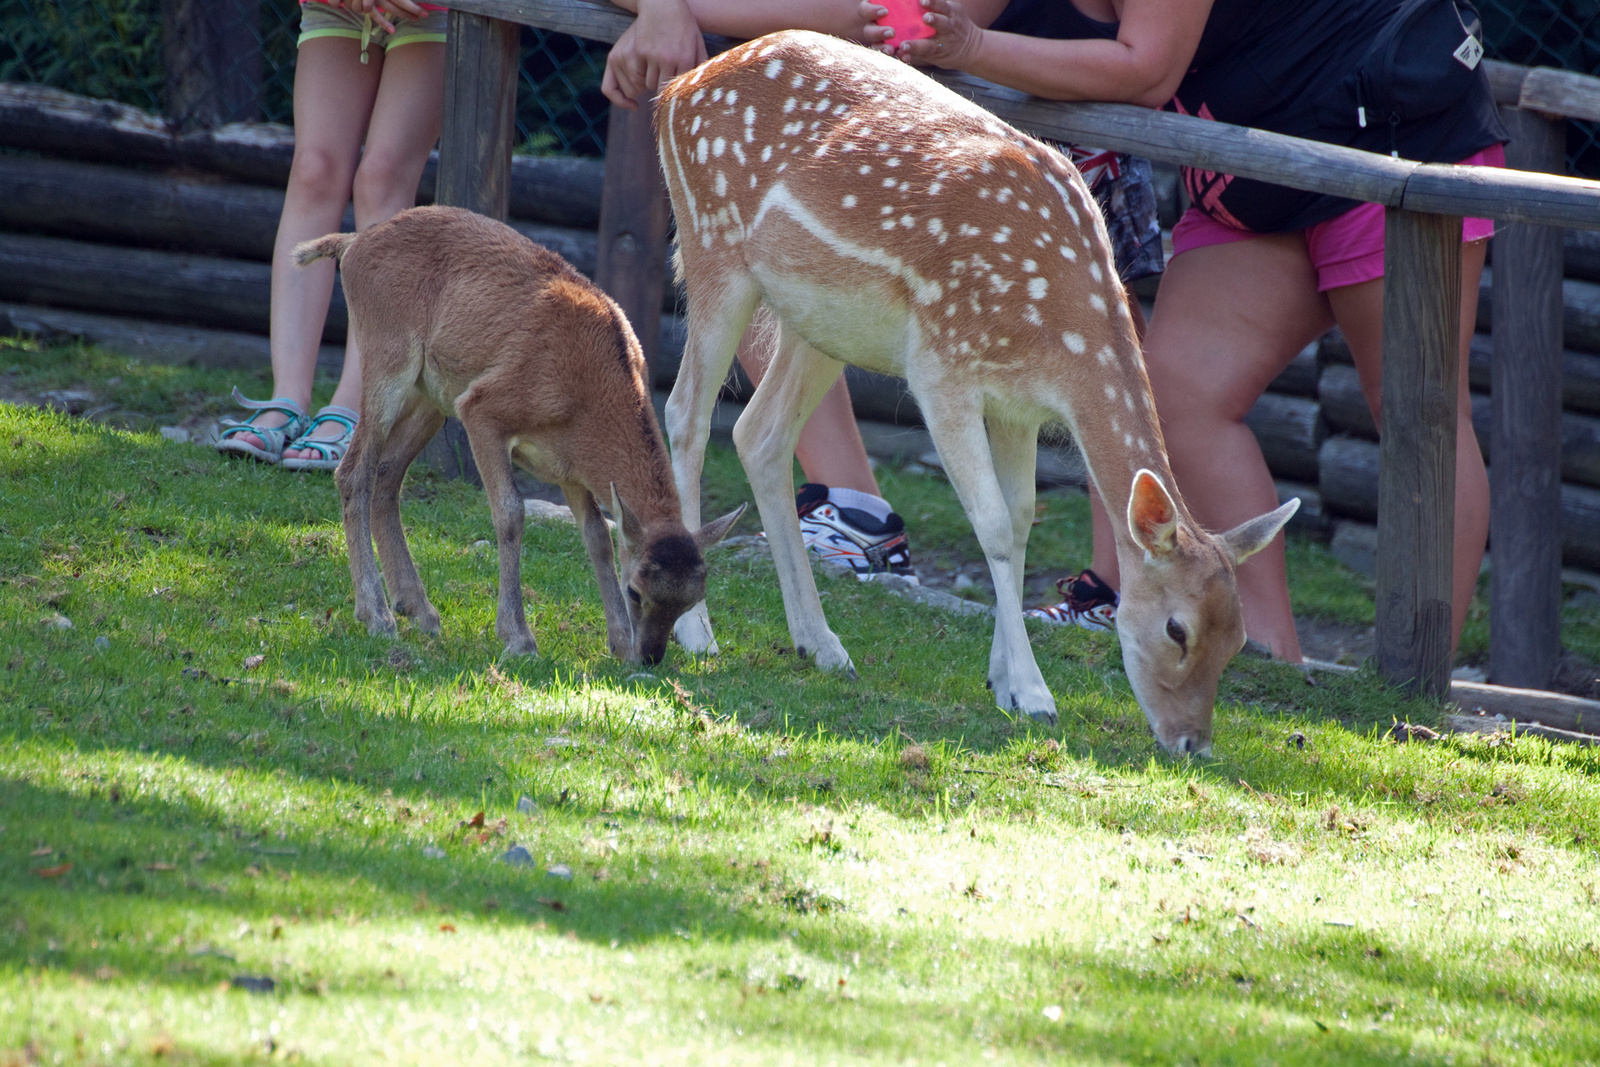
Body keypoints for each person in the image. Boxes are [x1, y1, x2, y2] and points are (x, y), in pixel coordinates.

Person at [896, 0, 1506, 661]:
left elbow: (1146, 69)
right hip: (1255, 167)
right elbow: (914, 14)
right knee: (1176, 396)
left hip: (1388, 140)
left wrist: (971, 48)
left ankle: (1413, 692)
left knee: (1418, 415)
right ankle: (1262, 657)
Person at [601, 0, 1165, 598]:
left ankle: (1092, 590)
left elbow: (898, 17)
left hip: (921, 143)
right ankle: (781, 547)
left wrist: (670, 8)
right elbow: (893, 17)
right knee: (772, 283)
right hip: (874, 130)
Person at [217, 0, 447, 470]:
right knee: (314, 170)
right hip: (338, 5)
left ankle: (356, 406)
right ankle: (287, 401)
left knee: (382, 179)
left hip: (435, 9)